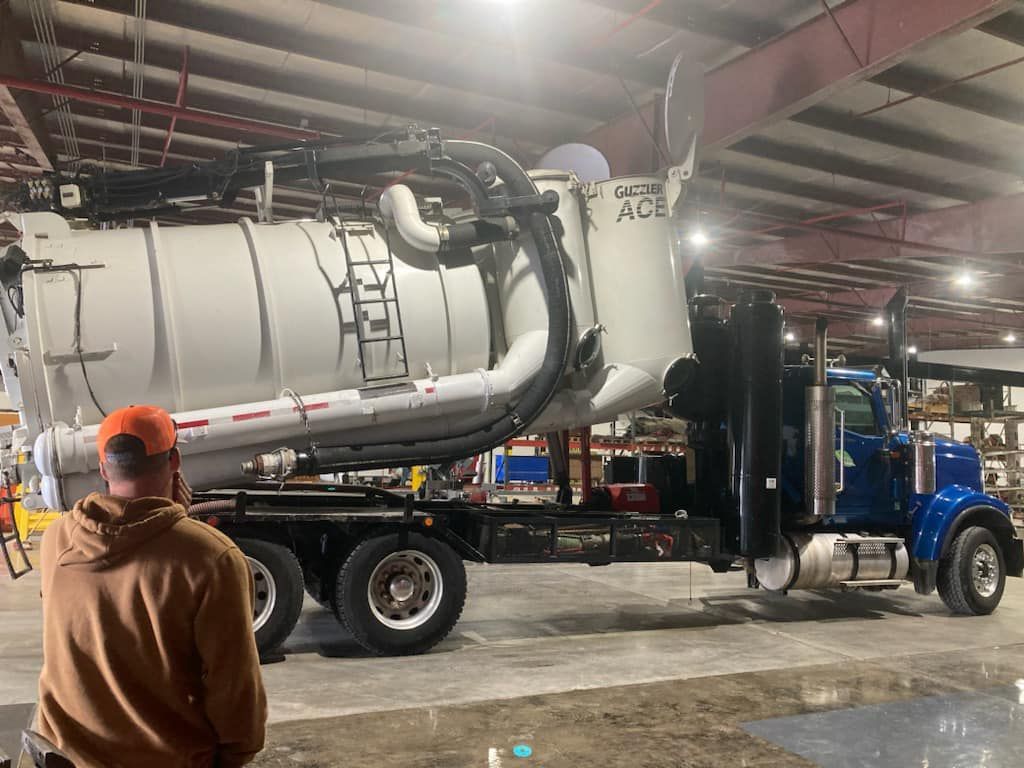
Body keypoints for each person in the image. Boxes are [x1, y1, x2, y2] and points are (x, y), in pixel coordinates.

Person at [36, 405, 267, 768]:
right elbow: (234, 686)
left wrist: (171, 519)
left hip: (65, 755)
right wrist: (236, 752)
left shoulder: (56, 540)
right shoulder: (210, 557)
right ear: (174, 460)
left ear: (102, 468)